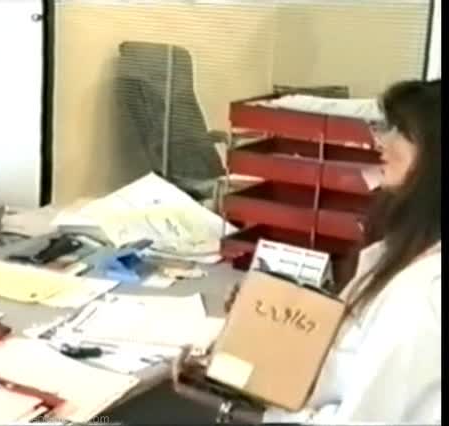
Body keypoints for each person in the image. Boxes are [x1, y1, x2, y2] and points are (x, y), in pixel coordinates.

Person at [173, 79, 441, 423]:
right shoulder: (402, 251)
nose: (381, 142)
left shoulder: (422, 297)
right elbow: (348, 355)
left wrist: (241, 411)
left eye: (401, 131)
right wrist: (265, 320)